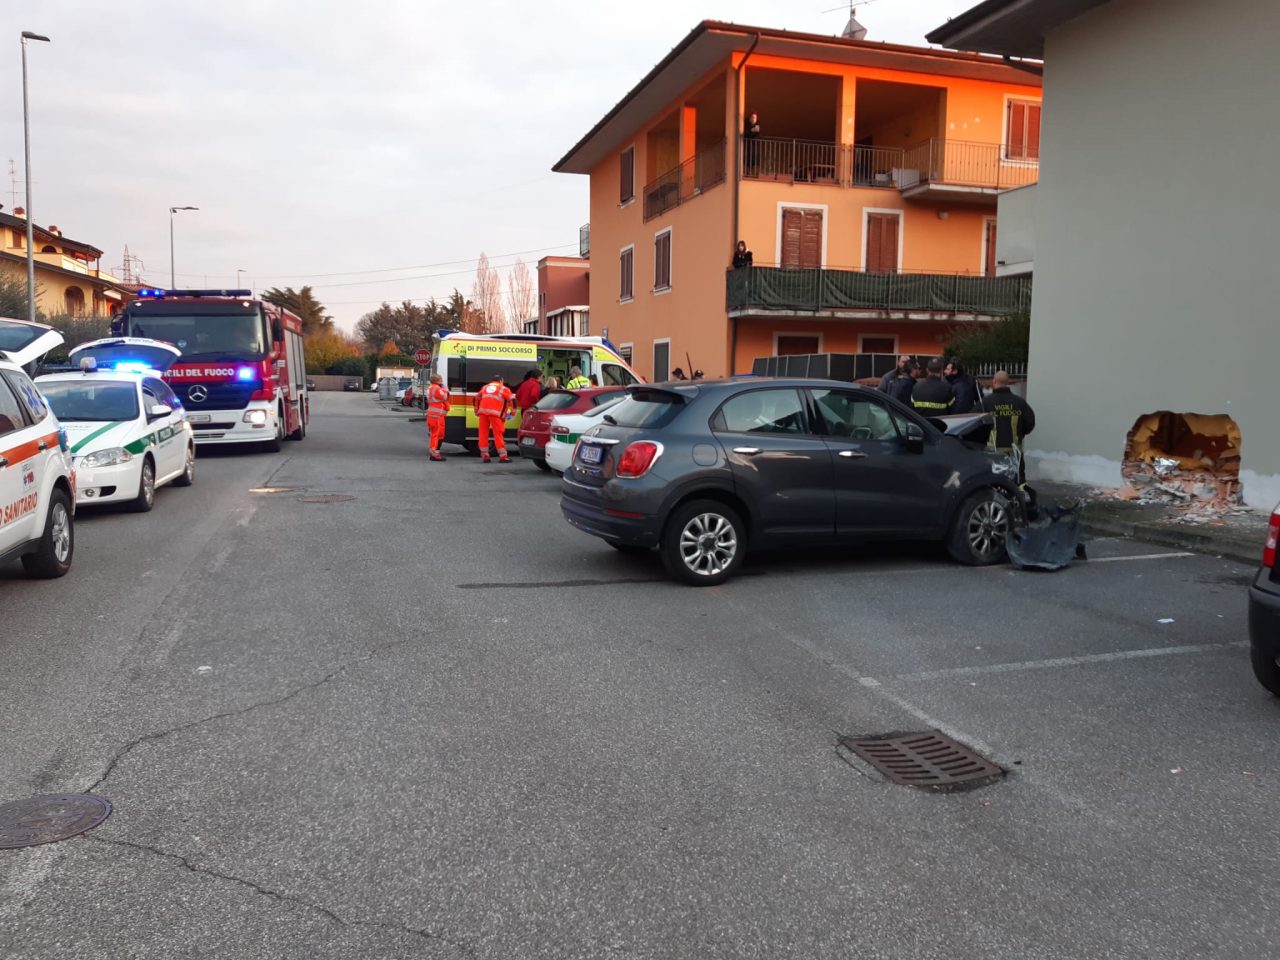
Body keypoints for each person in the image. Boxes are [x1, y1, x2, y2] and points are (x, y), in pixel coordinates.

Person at [982, 369, 1035, 484]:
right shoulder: (1020, 403)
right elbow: (1030, 422)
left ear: (994, 382)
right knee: (1018, 482)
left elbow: (975, 425)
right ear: (1008, 382)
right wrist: (1020, 434)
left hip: (992, 455)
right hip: (1015, 455)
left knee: (994, 483)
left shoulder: (985, 403)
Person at [473, 373, 514, 463]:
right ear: (501, 381)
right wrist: (513, 412)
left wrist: (476, 409)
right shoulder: (503, 388)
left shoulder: (485, 387)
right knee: (498, 434)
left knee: (483, 434)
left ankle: (485, 456)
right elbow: (512, 399)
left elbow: (476, 397)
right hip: (495, 414)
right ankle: (503, 456)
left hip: (483, 413)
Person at [425, 373, 450, 462]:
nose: (442, 381)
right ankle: (434, 454)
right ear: (437, 380)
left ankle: (435, 452)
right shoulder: (436, 388)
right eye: (440, 379)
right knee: (435, 435)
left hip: (435, 416)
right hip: (436, 416)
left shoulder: (432, 388)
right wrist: (445, 390)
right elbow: (444, 397)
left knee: (437, 435)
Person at [743, 111, 761, 176]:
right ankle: (747, 172)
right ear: (750, 118)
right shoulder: (747, 125)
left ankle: (754, 173)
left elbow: (756, 133)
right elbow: (747, 134)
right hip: (748, 145)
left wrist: (751, 131)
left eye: (755, 118)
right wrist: (751, 131)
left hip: (755, 145)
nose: (754, 119)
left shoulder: (757, 125)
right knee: (748, 159)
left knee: (755, 159)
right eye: (753, 117)